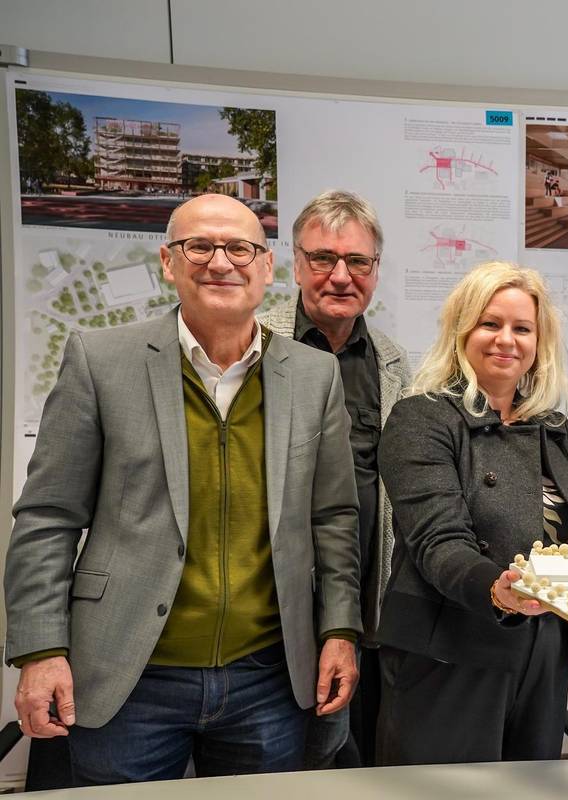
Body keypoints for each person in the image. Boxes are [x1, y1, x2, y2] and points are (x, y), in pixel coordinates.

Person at [4, 193, 362, 784]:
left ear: (267, 267)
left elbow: (334, 518)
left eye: (240, 248)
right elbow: (48, 516)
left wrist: (340, 631)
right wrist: (41, 650)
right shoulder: (101, 360)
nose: (221, 262)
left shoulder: (313, 374)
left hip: (269, 680)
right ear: (168, 262)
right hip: (128, 674)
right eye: (200, 246)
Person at [374, 261, 568, 764]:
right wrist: (497, 589)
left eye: (522, 328)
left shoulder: (552, 427)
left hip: (542, 650)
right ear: (461, 330)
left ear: (539, 341)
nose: (505, 340)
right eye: (490, 324)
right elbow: (437, 539)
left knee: (532, 789)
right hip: (450, 650)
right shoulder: (421, 417)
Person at [258, 189, 410, 769]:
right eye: (323, 258)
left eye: (358, 261)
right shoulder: (255, 344)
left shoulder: (394, 364)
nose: (341, 276)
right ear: (296, 264)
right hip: (270, 607)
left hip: (363, 604)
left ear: (376, 269)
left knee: (345, 758)